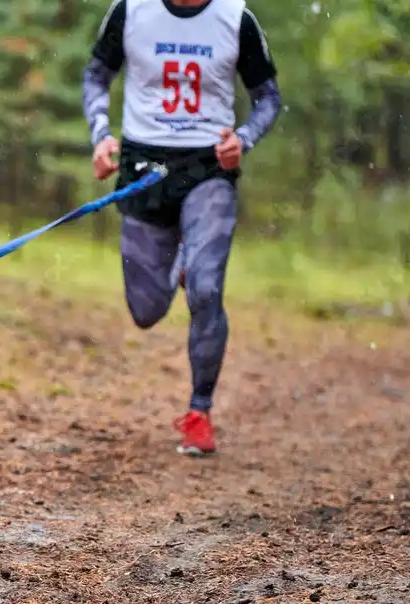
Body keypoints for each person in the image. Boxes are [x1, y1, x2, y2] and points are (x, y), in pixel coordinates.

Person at [81, 0, 283, 455]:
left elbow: (268, 97)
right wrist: (101, 135)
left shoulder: (236, 18)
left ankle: (199, 411)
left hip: (207, 168)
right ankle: (183, 264)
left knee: (207, 288)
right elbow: (96, 76)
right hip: (142, 166)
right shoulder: (130, 11)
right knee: (145, 310)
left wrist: (244, 138)